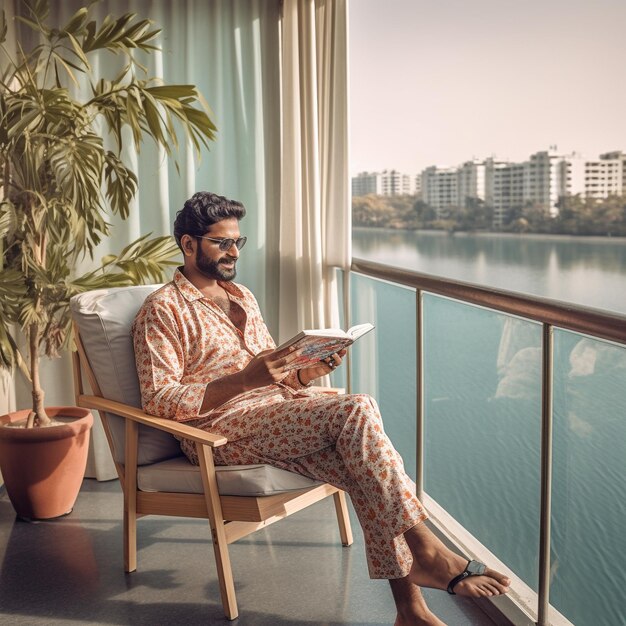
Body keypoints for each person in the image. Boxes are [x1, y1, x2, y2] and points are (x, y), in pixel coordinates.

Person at [132, 191, 510, 626]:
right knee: (357, 409)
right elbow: (160, 401)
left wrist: (305, 373)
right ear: (188, 244)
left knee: (363, 464)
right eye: (222, 242)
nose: (234, 251)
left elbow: (273, 372)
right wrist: (243, 381)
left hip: (276, 415)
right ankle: (426, 551)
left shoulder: (242, 297)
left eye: (239, 240)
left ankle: (411, 611)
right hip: (219, 435)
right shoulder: (161, 310)